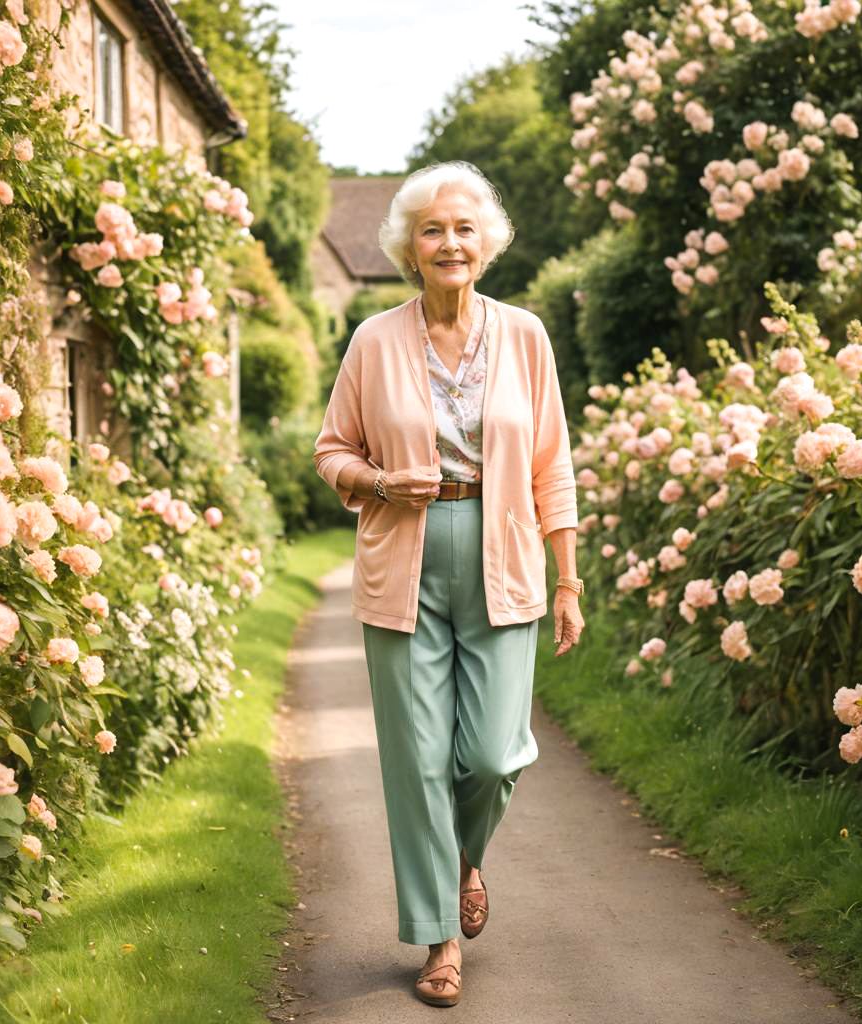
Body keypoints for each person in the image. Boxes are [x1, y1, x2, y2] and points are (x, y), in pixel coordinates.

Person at [312, 160, 585, 1007]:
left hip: (503, 550)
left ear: (487, 242)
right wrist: (382, 483)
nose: (449, 242)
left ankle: (467, 858)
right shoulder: (373, 340)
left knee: (492, 754)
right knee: (417, 761)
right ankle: (438, 939)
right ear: (409, 247)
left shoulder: (527, 336)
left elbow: (553, 468)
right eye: (432, 230)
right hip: (404, 560)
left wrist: (568, 580)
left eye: (464, 228)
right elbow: (332, 452)